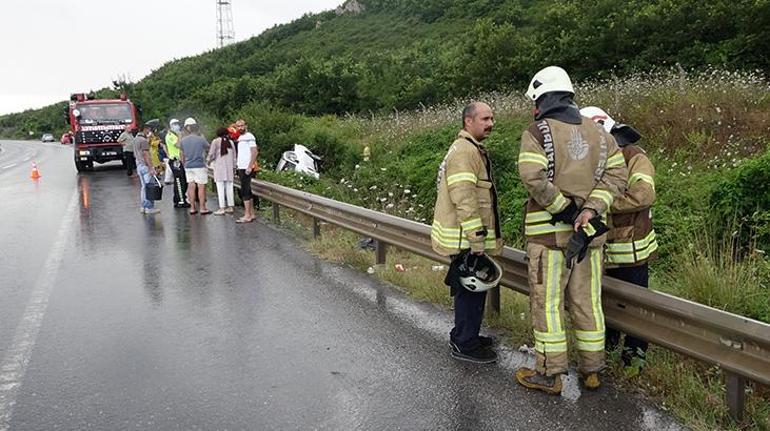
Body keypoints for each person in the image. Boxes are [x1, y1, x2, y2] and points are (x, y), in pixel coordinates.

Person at [515, 66, 627, 394]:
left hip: (548, 238)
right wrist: (590, 210)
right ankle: (592, 371)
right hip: (589, 239)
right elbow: (617, 177)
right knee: (587, 302)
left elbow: (533, 177)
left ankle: (550, 375)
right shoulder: (601, 134)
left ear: (541, 98)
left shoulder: (538, 131)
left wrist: (567, 210)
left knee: (547, 304)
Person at [581, 106, 657, 368]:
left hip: (631, 251)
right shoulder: (598, 157)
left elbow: (644, 194)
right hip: (604, 251)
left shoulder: (634, 156)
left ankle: (634, 358)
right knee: (607, 304)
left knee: (635, 308)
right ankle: (610, 350)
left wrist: (599, 204)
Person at [430, 102, 504, 364]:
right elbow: (464, 198)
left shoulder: (469, 148)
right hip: (466, 239)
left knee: (469, 292)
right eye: (485, 118)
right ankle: (465, 344)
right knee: (471, 291)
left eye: (492, 118)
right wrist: (476, 239)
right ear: (468, 122)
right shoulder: (464, 152)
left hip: (465, 237)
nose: (490, 123)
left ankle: (463, 334)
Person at [179, 117, 211, 215]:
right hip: (199, 165)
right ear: (196, 127)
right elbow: (209, 148)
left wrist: (184, 164)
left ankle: (192, 208)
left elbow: (182, 154)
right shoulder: (200, 139)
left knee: (191, 186)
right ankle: (202, 208)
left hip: (188, 166)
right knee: (201, 187)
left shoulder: (183, 140)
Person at [133, 119, 161, 215]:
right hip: (145, 166)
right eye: (148, 129)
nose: (149, 131)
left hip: (139, 165)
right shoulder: (143, 140)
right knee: (150, 187)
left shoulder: (136, 139)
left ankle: (143, 206)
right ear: (145, 129)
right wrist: (151, 168)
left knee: (144, 187)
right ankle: (149, 207)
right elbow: (146, 155)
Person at [208, 127, 236, 215]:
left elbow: (211, 154)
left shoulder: (215, 141)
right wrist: (234, 167)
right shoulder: (230, 142)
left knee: (220, 188)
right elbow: (234, 156)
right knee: (229, 187)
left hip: (219, 168)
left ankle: (222, 208)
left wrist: (208, 161)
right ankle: (231, 207)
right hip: (229, 168)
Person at [235, 120, 258, 223]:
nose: (240, 128)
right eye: (238, 126)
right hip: (241, 166)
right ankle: (251, 213)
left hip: (246, 167)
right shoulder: (240, 138)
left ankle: (247, 215)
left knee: (245, 190)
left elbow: (254, 151)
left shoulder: (249, 137)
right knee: (247, 190)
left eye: (242, 126)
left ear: (246, 126)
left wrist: (250, 166)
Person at [165, 118, 190, 208]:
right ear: (171, 126)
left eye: (178, 123)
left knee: (181, 181)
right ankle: (181, 201)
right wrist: (180, 136)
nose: (177, 126)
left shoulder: (175, 135)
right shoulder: (170, 135)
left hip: (179, 160)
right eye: (175, 124)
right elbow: (178, 145)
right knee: (180, 181)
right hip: (175, 160)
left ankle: (178, 199)